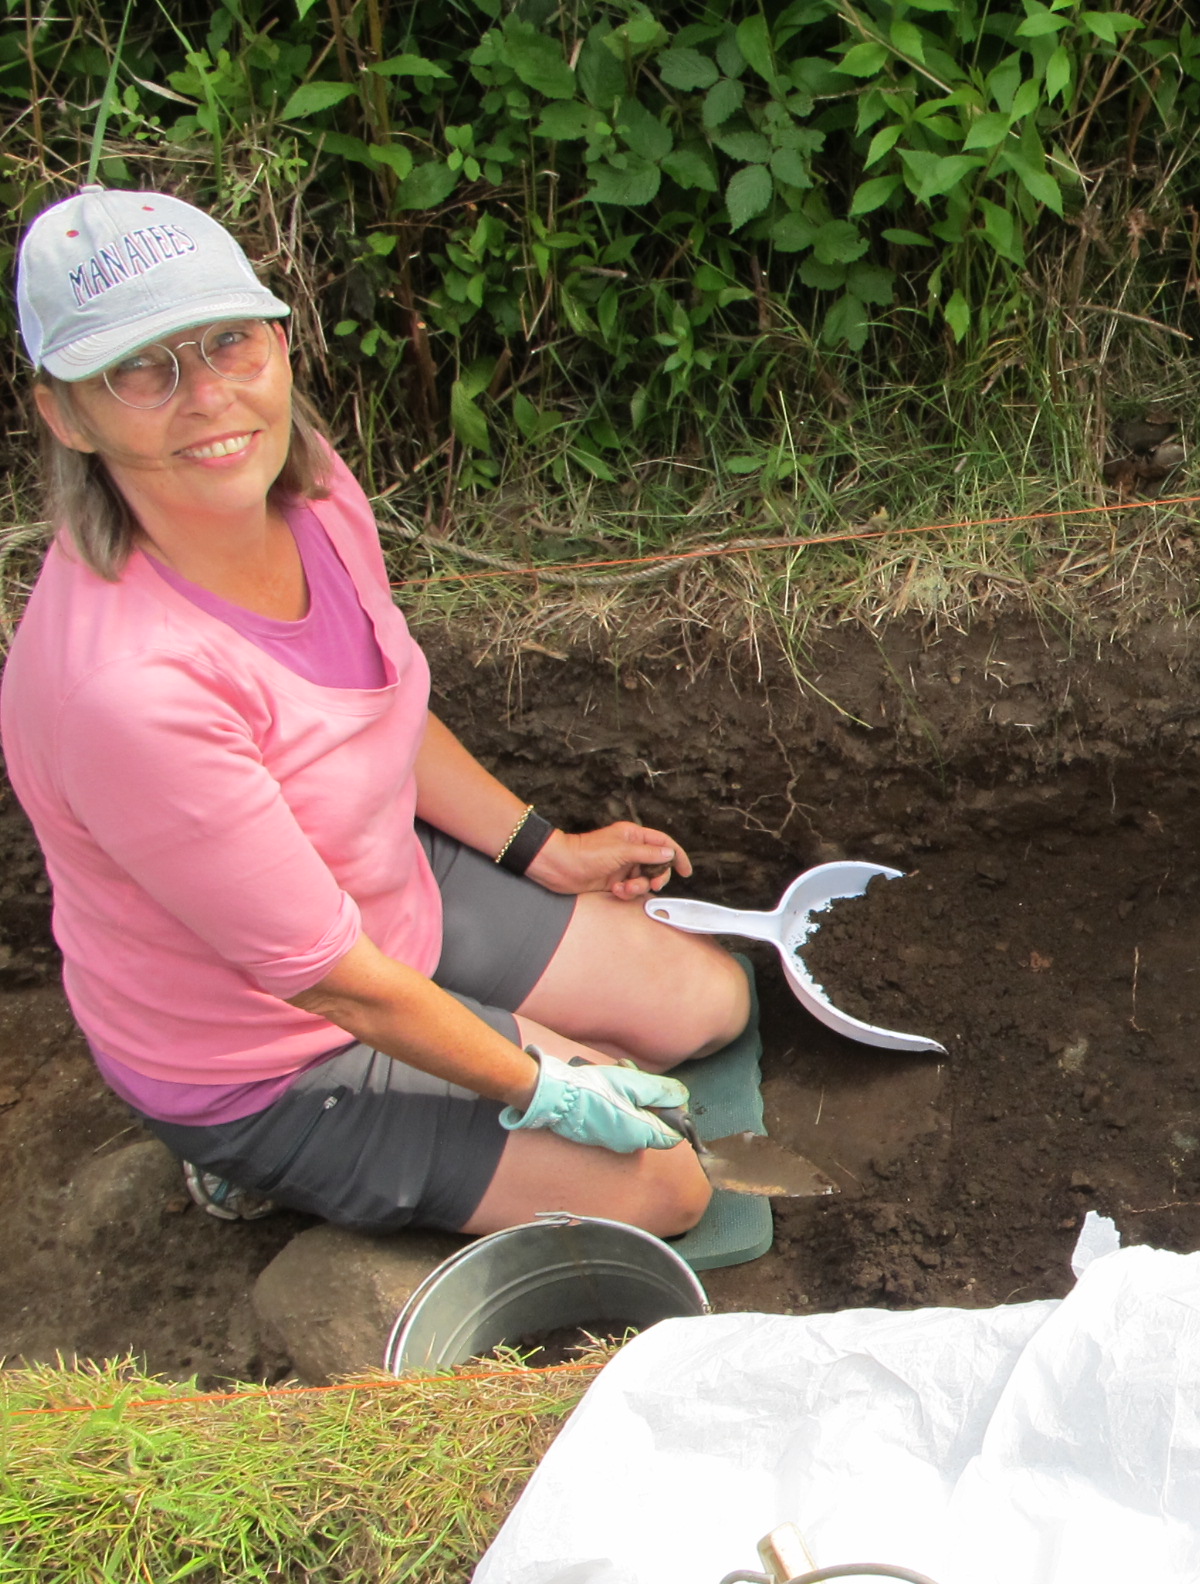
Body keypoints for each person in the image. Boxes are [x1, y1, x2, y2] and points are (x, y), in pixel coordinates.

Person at [2, 187, 748, 1237]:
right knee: (668, 1182)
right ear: (66, 413)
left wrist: (542, 849)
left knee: (710, 1006)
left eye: (227, 343)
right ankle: (242, 1164)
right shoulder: (129, 690)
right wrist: (541, 1085)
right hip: (269, 1042)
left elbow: (376, 709)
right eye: (142, 368)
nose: (209, 397)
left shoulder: (305, 493)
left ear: (278, 342)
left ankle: (516, 1064)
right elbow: (335, 984)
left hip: (381, 895)